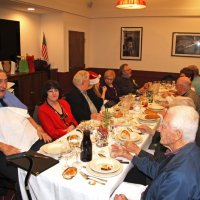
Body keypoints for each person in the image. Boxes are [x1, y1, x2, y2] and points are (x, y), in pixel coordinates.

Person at [112, 106, 200, 200]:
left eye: (163, 126)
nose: (159, 129)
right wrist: (128, 155)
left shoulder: (179, 177)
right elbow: (159, 171)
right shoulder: (189, 150)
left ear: (177, 135)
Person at [0, 69, 52, 200]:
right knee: (27, 174)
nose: (4, 85)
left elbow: (26, 115)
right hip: (7, 148)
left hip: (30, 139)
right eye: (0, 81)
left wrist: (38, 128)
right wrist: (4, 147)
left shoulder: (8, 96)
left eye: (5, 81)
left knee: (51, 157)